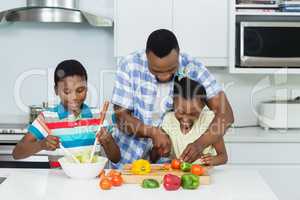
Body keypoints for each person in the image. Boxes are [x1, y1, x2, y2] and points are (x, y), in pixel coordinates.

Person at [112, 29, 233, 168]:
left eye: (171, 70)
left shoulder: (193, 67)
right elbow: (121, 117)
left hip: (172, 166)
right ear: (147, 56)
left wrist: (200, 144)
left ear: (178, 54)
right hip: (128, 160)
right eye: (156, 71)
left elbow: (226, 114)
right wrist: (152, 132)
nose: (164, 76)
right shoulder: (129, 65)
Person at [13, 59, 120, 166]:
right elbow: (17, 153)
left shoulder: (99, 116)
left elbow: (116, 158)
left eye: (80, 90)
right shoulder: (47, 117)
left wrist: (108, 141)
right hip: (57, 181)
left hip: (90, 181)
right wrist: (41, 144)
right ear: (56, 90)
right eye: (67, 92)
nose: (74, 97)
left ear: (87, 88)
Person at [150, 77, 228, 166]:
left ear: (203, 106)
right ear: (173, 103)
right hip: (180, 174)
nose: (186, 119)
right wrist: (159, 151)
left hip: (204, 173)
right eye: (181, 112)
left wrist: (212, 160)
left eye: (193, 113)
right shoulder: (168, 121)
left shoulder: (209, 121)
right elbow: (160, 156)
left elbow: (223, 157)